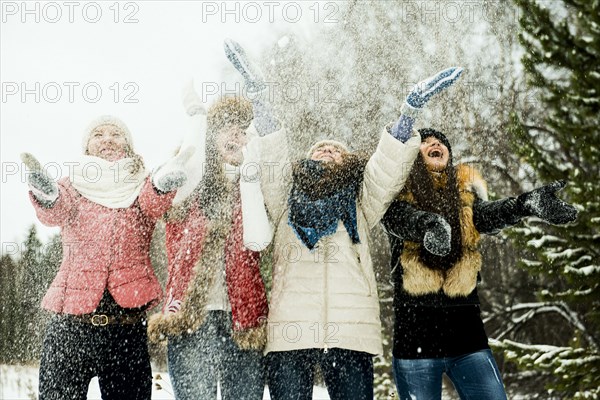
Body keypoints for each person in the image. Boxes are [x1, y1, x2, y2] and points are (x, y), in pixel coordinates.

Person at [224, 38, 463, 400]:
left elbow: (386, 168)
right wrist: (258, 95)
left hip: (351, 328)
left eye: (335, 148)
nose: (326, 149)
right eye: (319, 147)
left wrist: (409, 112)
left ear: (348, 160)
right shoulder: (286, 195)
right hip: (291, 326)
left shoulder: (360, 201)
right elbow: (271, 152)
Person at [381, 127, 578, 400]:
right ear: (413, 154)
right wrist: (428, 225)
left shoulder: (464, 198)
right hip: (415, 339)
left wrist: (524, 205)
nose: (435, 144)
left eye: (440, 142)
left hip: (468, 336)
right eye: (425, 143)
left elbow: (489, 214)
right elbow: (399, 219)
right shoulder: (395, 196)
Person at [23, 115, 191, 400]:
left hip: (125, 329)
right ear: (87, 147)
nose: (108, 139)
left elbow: (152, 202)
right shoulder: (72, 185)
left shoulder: (141, 184)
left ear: (128, 144)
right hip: (70, 329)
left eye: (116, 134)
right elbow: (56, 211)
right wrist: (47, 195)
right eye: (98, 135)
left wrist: (162, 184)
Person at [147, 87, 270, 400]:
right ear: (210, 136)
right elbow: (160, 198)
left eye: (243, 130)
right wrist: (198, 119)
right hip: (190, 316)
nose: (235, 135)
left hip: (243, 319)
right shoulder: (187, 177)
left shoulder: (259, 184)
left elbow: (260, 240)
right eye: (227, 127)